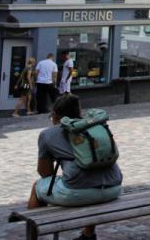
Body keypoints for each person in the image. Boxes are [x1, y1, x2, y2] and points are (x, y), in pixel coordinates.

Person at [27, 93, 122, 240]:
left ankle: (31, 238)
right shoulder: (94, 126)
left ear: (55, 115)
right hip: (114, 187)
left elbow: (45, 173)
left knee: (37, 187)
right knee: (90, 180)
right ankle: (88, 235)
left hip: (78, 193)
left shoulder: (48, 134)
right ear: (79, 112)